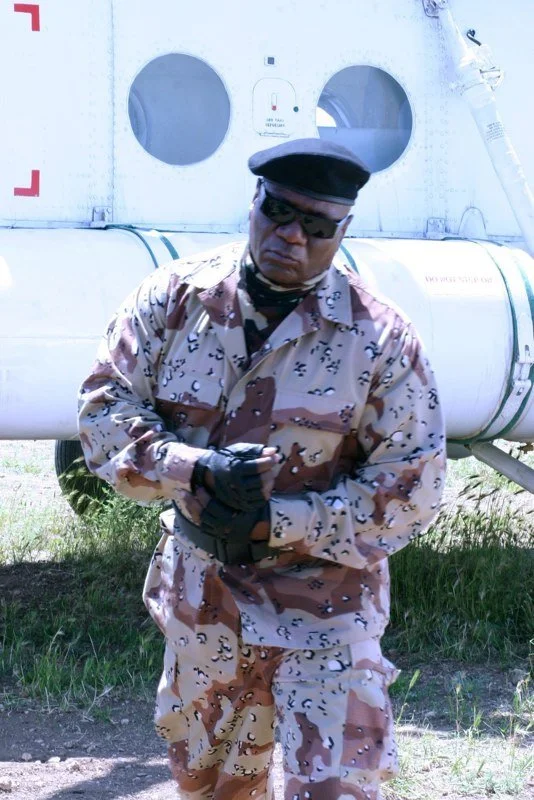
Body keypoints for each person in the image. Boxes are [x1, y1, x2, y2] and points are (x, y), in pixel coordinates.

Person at [78, 138, 446, 800]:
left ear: (342, 231)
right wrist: (196, 468)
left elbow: (410, 489)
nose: (292, 236)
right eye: (278, 211)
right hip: (204, 603)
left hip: (328, 609)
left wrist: (276, 521)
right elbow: (104, 410)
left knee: (333, 790)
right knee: (214, 789)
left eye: (316, 225)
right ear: (254, 202)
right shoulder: (175, 299)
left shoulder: (380, 339)